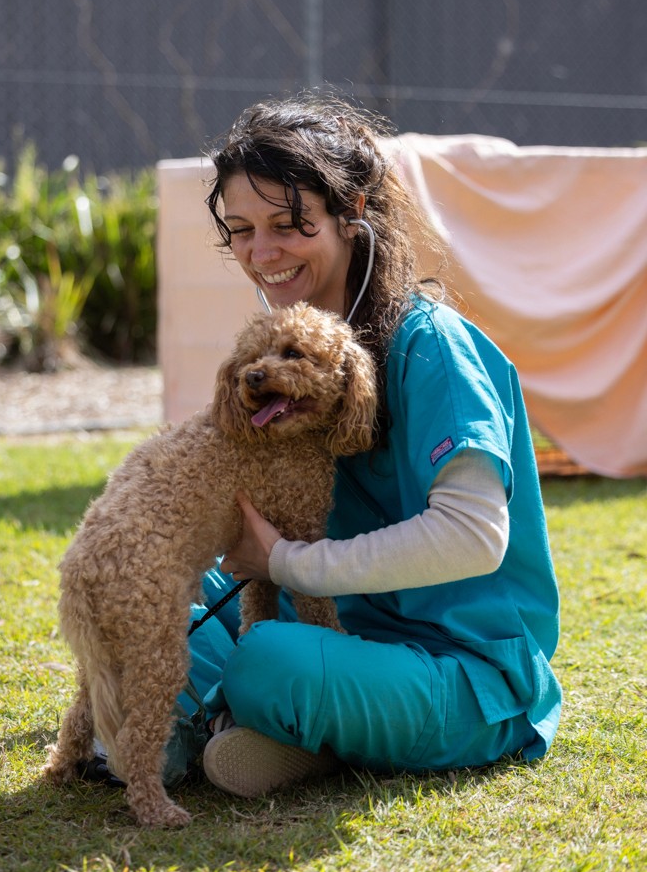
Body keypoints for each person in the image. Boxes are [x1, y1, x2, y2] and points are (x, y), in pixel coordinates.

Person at [84, 92, 562, 798]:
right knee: (155, 595)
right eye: (241, 231)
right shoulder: (280, 358)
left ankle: (257, 721)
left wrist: (287, 563)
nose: (262, 253)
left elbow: (474, 537)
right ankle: (252, 728)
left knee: (270, 658)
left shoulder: (433, 347)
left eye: (288, 224)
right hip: (338, 631)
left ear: (352, 211)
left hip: (460, 673)